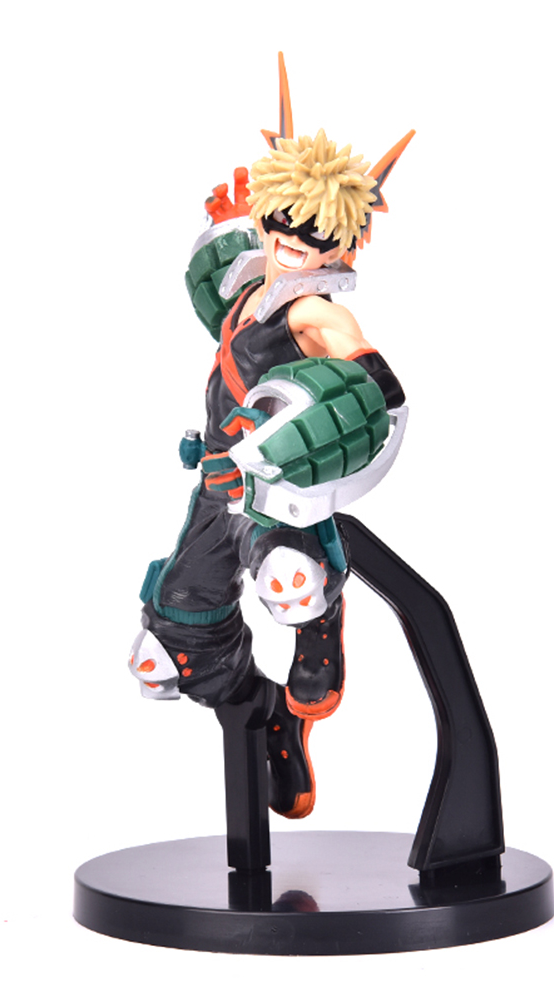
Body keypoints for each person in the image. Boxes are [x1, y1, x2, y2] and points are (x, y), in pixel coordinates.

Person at [129, 61, 411, 819]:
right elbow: (212, 285)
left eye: (313, 232)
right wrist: (226, 222)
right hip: (216, 486)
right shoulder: (249, 287)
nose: (292, 239)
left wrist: (351, 394)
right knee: (171, 646)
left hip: (280, 495)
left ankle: (322, 622)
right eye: (282, 219)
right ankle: (265, 714)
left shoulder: (316, 311)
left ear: (340, 243)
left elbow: (370, 384)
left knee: (290, 583)